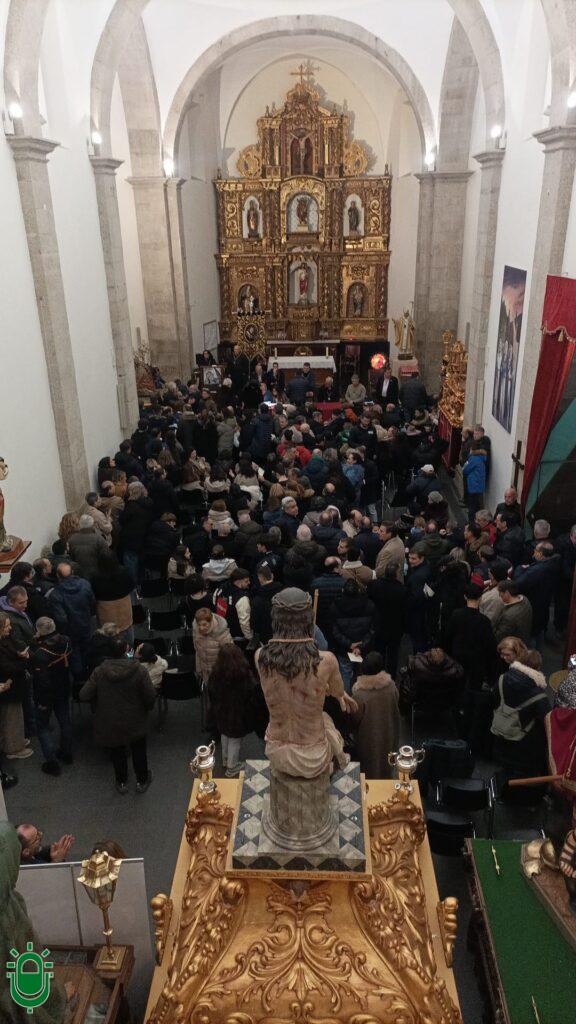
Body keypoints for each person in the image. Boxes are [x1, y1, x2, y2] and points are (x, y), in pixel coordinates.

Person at [79, 636, 155, 794]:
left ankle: (121, 782)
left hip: (110, 720)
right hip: (135, 718)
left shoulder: (99, 671)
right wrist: (146, 708)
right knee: (139, 750)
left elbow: (84, 695)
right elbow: (150, 696)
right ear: (126, 651)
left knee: (117, 751)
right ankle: (142, 780)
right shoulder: (139, 670)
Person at [491, 648, 550, 781]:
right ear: (538, 667)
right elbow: (546, 721)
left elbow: (493, 698)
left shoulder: (502, 679)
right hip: (523, 744)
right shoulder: (539, 696)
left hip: (499, 734)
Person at [30, 617, 72, 776]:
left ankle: (52, 763)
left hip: (46, 695)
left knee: (42, 727)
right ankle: (66, 752)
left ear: (39, 630)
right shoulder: (66, 641)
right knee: (65, 721)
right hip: (63, 687)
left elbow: (42, 681)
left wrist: (41, 701)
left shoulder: (41, 653)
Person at [208, 646, 255, 777]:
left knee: (224, 735)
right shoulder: (243, 674)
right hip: (238, 714)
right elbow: (250, 692)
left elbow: (211, 691)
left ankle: (225, 759)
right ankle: (232, 767)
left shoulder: (215, 673)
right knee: (235, 739)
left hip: (221, 711)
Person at [351, 652, 400, 779]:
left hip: (368, 739)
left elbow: (354, 719)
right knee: (386, 767)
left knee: (369, 771)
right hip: (389, 734)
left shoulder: (359, 694)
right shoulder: (391, 686)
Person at [444, 583, 497, 691]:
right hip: (477, 660)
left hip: (458, 655)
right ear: (481, 597)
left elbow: (448, 635)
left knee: (458, 685)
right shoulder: (484, 620)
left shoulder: (456, 614)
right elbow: (489, 644)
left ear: (465, 596)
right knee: (474, 687)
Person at [48, 562, 96, 681]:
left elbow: (61, 618)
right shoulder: (85, 584)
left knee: (74, 655)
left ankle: (79, 680)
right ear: (72, 572)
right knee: (87, 649)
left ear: (58, 576)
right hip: (85, 625)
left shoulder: (55, 594)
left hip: (70, 631)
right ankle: (90, 674)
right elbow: (93, 603)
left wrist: (63, 631)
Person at [331, 578, 376, 691]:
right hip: (363, 648)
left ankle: (346, 704)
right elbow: (373, 629)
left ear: (343, 591)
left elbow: (335, 631)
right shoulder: (369, 605)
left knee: (345, 674)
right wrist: (361, 646)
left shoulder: (335, 607)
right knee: (362, 674)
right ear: (359, 591)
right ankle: (361, 701)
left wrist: (349, 644)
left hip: (344, 649)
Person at [513, 541, 561, 640]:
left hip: (533, 605)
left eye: (535, 551)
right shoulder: (554, 564)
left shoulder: (537, 570)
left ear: (540, 554)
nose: (533, 553)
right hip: (544, 603)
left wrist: (520, 569)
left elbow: (518, 584)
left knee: (532, 636)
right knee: (540, 631)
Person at [0, 611, 31, 761]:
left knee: (11, 717)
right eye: (6, 626)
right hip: (8, 687)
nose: (10, 628)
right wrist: (23, 660)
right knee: (12, 718)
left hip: (11, 685)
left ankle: (13, 740)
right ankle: (13, 747)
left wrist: (18, 656)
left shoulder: (4, 640)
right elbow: (7, 667)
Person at [91, 549, 134, 642]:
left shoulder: (95, 576)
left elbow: (93, 593)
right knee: (127, 629)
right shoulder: (124, 571)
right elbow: (131, 585)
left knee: (107, 634)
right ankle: (129, 653)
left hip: (105, 609)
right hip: (124, 606)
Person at [192, 607, 233, 684]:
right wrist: (199, 670)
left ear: (210, 622)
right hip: (205, 672)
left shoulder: (221, 632)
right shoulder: (196, 630)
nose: (201, 628)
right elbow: (197, 651)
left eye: (204, 624)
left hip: (220, 674)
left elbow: (230, 655)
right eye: (199, 624)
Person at [213, 567, 253, 642]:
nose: (249, 583)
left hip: (220, 631)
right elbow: (244, 622)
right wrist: (249, 637)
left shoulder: (220, 588)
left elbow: (214, 602)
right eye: (246, 581)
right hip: (236, 636)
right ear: (238, 581)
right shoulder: (242, 598)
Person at [405, 548, 432, 652]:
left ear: (422, 559)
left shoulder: (417, 577)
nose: (410, 560)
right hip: (424, 610)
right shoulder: (425, 568)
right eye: (409, 558)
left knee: (417, 639)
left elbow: (415, 598)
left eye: (414, 558)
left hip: (416, 613)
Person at [251, 565, 284, 643]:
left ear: (260, 578)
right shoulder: (284, 592)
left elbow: (254, 624)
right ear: (272, 575)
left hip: (266, 637)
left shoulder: (257, 600)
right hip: (283, 633)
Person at [462, 445, 487, 517]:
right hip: (480, 486)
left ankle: (472, 521)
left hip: (473, 485)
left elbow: (465, 470)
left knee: (472, 506)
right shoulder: (482, 458)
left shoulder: (474, 459)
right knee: (478, 504)